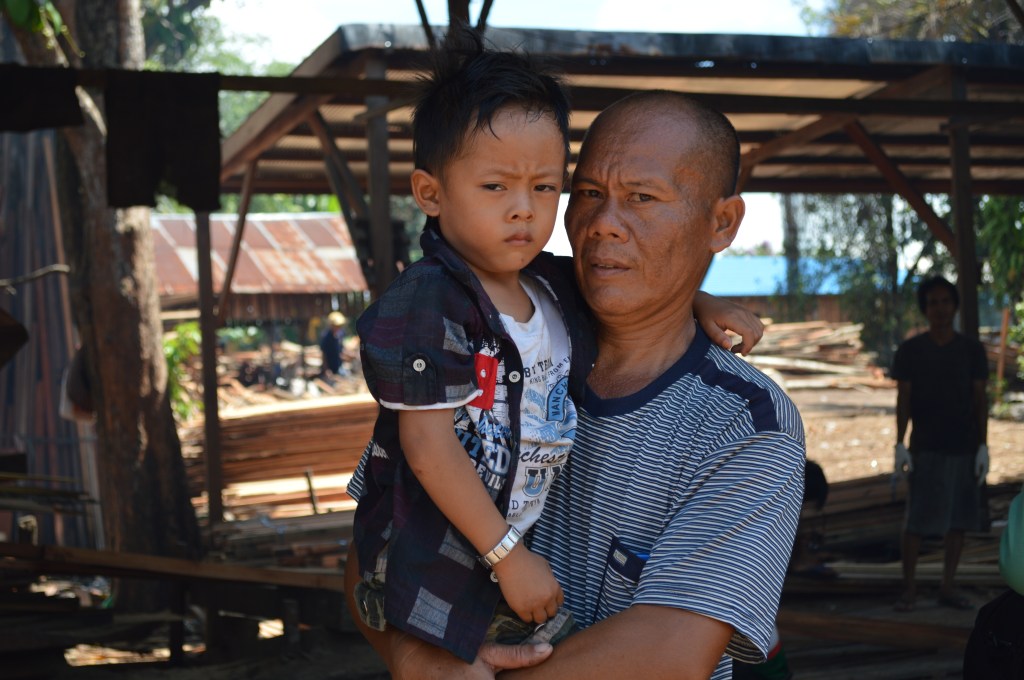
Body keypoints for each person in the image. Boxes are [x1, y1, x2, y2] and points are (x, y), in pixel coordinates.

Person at [345, 87, 805, 680]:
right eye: (588, 194)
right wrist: (418, 660)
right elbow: (373, 541)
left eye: (641, 197)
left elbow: (669, 651)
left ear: (722, 223)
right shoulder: (489, 338)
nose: (603, 224)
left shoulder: (745, 425)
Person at [891, 275, 989, 612]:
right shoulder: (911, 351)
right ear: (925, 309)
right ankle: (909, 590)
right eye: (933, 302)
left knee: (959, 519)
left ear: (955, 306)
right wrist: (899, 443)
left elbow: (980, 398)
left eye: (946, 301)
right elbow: (903, 398)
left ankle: (947, 586)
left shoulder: (971, 350)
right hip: (926, 445)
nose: (940, 308)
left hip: (964, 443)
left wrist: (984, 445)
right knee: (916, 520)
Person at [319, 311, 349, 377]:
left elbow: (341, 349)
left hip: (339, 366)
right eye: (336, 326)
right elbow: (324, 354)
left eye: (339, 326)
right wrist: (326, 370)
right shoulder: (326, 337)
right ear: (331, 325)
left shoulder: (340, 334)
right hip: (330, 367)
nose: (338, 327)